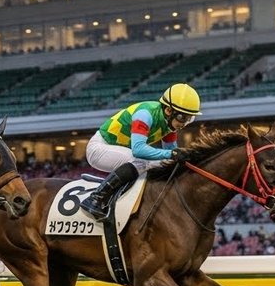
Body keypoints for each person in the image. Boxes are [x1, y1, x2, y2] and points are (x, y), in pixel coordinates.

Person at [79, 83, 201, 221]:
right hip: (99, 149)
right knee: (140, 161)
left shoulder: (169, 125)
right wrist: (171, 154)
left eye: (190, 119)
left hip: (120, 152)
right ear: (168, 110)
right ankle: (96, 198)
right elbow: (138, 150)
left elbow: (171, 156)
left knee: (162, 163)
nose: (184, 124)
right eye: (183, 118)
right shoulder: (145, 114)